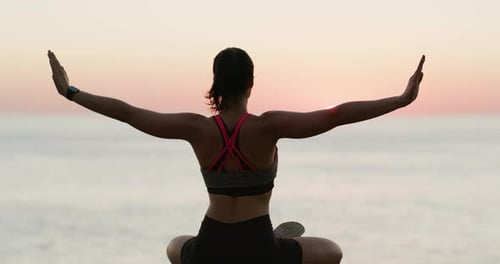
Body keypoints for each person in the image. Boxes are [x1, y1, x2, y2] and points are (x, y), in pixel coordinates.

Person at [48, 48, 425, 264]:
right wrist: (401, 100)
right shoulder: (267, 127)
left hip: (210, 244)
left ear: (216, 82)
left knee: (175, 245)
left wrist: (72, 92)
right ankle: (279, 242)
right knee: (332, 251)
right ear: (251, 82)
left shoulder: (196, 128)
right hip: (258, 247)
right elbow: (336, 115)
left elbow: (129, 113)